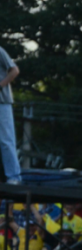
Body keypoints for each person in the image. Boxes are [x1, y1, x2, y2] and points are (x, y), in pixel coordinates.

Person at [0, 45, 21, 183]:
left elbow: (14, 70)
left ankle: (14, 177)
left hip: (2, 102)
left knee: (6, 141)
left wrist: (1, 85)